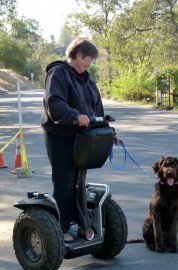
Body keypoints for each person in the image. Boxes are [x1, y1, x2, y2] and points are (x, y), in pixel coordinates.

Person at [41, 37, 118, 242]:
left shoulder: (87, 80)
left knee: (79, 179)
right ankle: (61, 227)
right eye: (89, 59)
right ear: (78, 55)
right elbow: (54, 103)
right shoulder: (58, 73)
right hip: (60, 136)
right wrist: (75, 116)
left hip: (83, 137)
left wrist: (109, 132)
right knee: (65, 180)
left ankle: (79, 221)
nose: (90, 64)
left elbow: (97, 110)